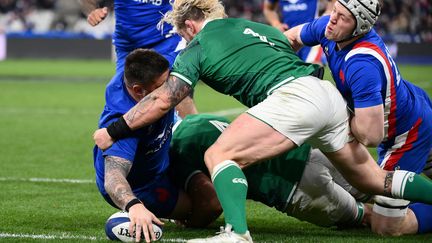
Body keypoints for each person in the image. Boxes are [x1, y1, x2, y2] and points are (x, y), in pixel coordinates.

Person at [93, 1, 432, 242]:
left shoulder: (196, 47)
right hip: (323, 94)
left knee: (220, 156)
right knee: (376, 180)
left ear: (190, 24)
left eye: (183, 32)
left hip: (295, 99)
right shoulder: (250, 26)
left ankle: (237, 235)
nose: (183, 39)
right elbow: (288, 41)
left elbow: (165, 98)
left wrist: (114, 130)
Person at [285, 0, 432, 236]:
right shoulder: (329, 26)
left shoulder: (363, 64)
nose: (333, 18)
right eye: (335, 10)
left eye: (343, 17)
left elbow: (371, 136)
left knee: (387, 227)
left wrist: (330, 110)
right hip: (408, 108)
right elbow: (290, 38)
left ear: (359, 27)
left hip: (406, 133)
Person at [93, 49, 215, 243]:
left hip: (162, 159)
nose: (169, 90)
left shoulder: (146, 75)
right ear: (139, 91)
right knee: (210, 205)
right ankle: (179, 220)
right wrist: (134, 205)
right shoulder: (122, 126)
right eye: (162, 86)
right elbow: (113, 178)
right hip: (142, 185)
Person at [170, 113, 369, 228]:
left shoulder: (177, 148)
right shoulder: (196, 120)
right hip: (306, 151)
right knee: (378, 190)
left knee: (369, 218)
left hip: (290, 186)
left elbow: (212, 204)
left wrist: (189, 222)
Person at [79, 0, 197, 118]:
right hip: (129, 46)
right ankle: (112, 134)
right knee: (120, 94)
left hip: (166, 42)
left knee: (176, 91)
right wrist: (93, 11)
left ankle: (194, 133)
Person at [263, 0, 334, 64]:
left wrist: (326, 15)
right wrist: (276, 24)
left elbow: (333, 1)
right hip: (289, 37)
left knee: (313, 69)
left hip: (311, 37)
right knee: (291, 71)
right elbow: (268, 9)